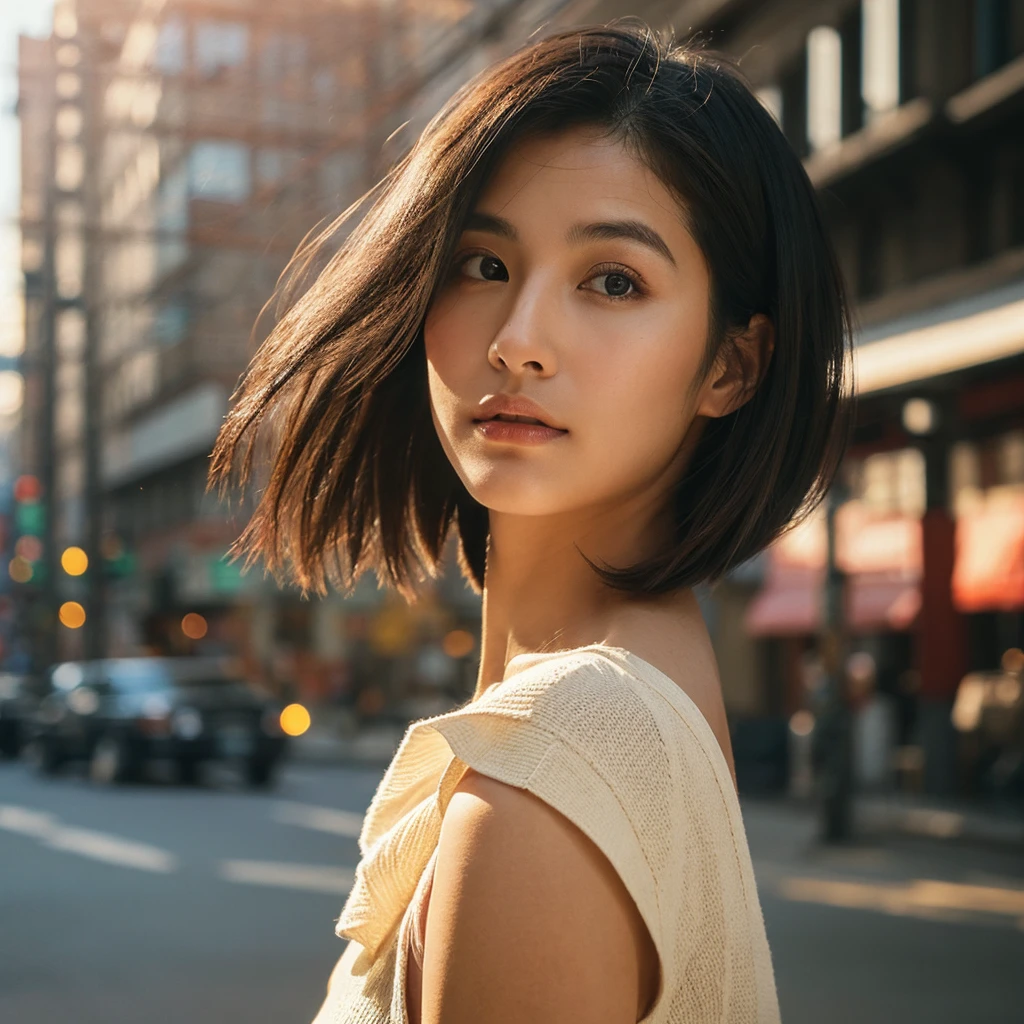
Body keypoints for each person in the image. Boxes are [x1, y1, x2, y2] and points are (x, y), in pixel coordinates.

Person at [209, 23, 852, 1024]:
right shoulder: (643, 702)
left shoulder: (545, 778)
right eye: (482, 264)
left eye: (612, 281)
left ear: (732, 366)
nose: (518, 343)